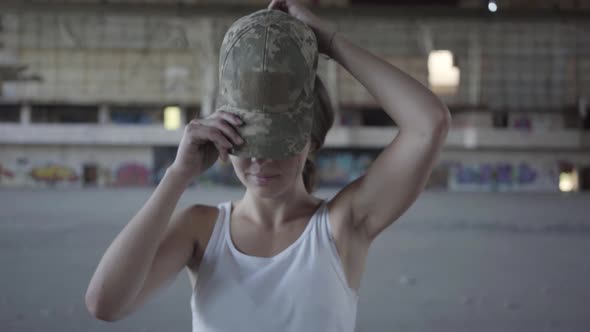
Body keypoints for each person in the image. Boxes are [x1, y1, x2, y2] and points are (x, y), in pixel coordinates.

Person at [85, 1, 451, 331]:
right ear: (223, 142)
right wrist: (178, 175)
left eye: (278, 143)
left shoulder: (341, 226)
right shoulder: (200, 230)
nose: (261, 159)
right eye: (249, 142)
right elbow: (105, 303)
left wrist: (330, 43)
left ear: (311, 142)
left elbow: (428, 123)